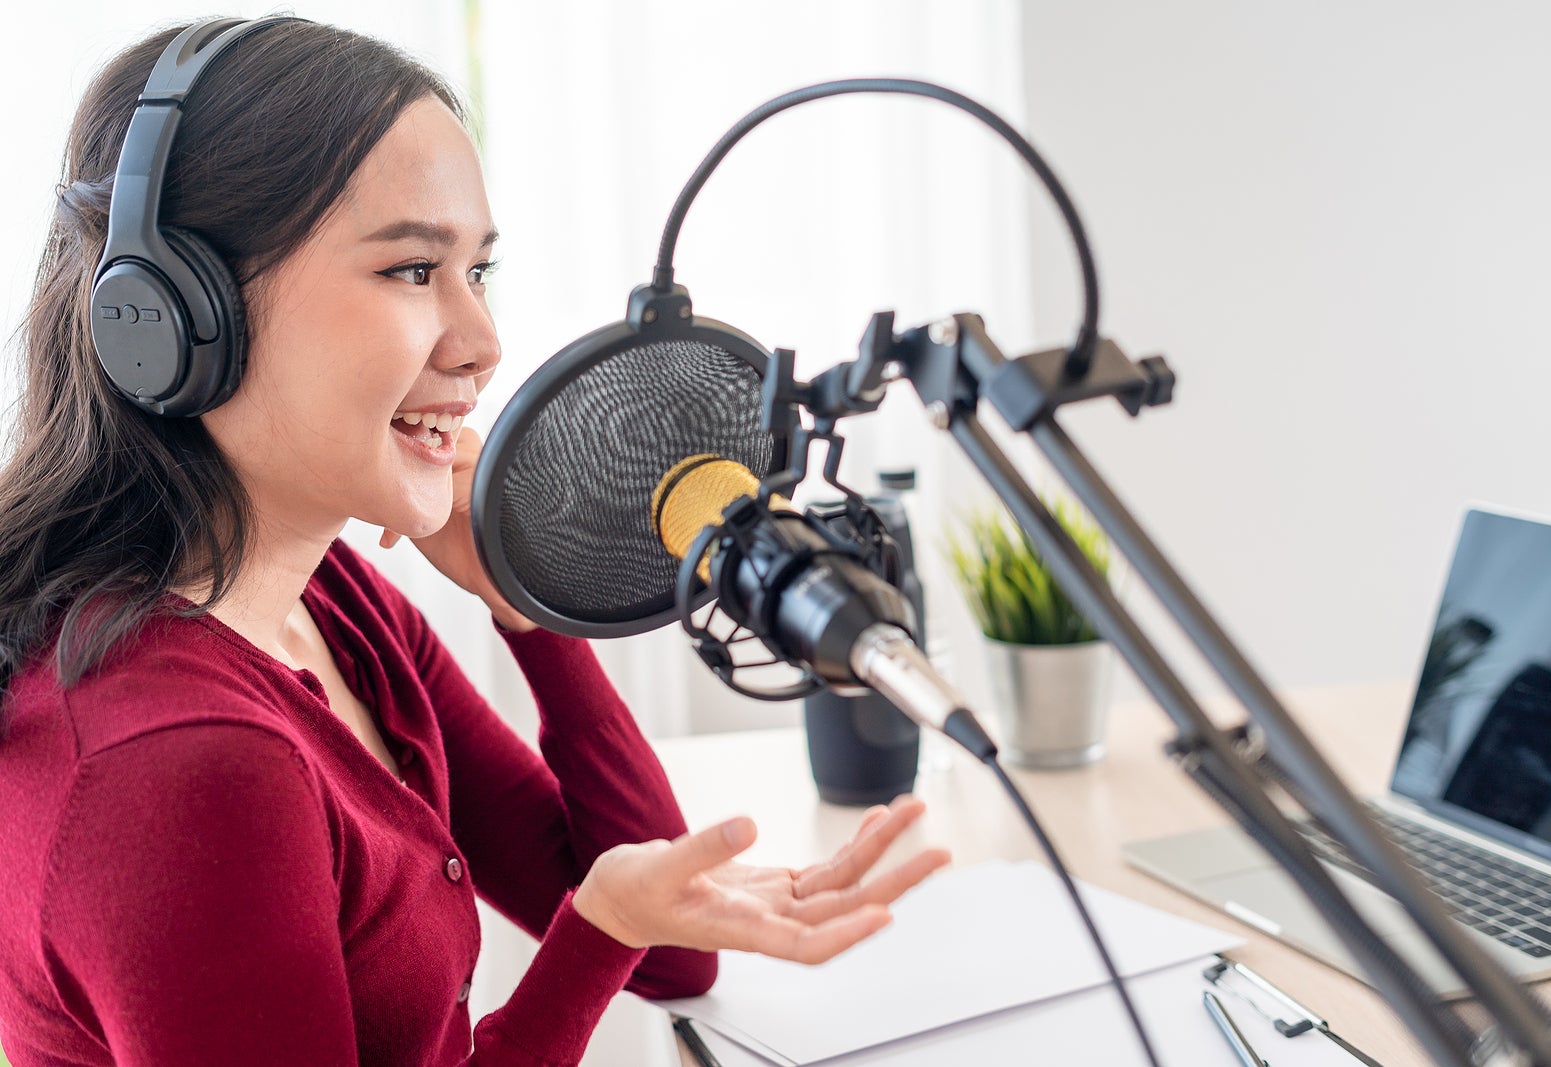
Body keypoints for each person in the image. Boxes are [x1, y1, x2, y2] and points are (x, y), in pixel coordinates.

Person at [0, 17, 950, 1066]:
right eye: (413, 269)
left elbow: (669, 957)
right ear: (178, 317)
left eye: (478, 271)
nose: (483, 344)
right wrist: (602, 932)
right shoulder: (178, 763)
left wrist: (527, 602)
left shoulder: (333, 608)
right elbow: (621, 931)